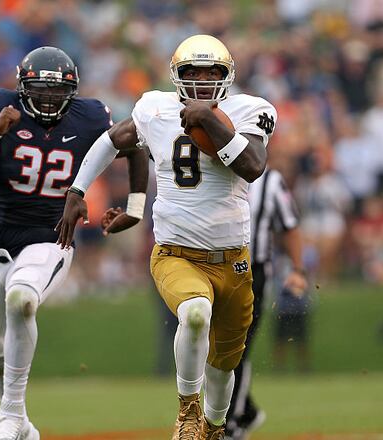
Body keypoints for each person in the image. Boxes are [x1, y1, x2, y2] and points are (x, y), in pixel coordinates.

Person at [57, 34, 277, 440]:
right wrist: (77, 190)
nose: (202, 79)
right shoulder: (155, 108)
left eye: (212, 71)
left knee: (225, 366)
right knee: (194, 313)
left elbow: (252, 165)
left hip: (233, 260)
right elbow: (114, 141)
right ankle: (187, 411)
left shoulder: (250, 110)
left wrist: (208, 119)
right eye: (193, 71)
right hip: (176, 253)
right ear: (178, 75)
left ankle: (211, 427)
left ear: (227, 76)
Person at [0, 46, 149, 440]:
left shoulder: (89, 116)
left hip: (51, 235)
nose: (49, 99)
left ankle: (10, 414)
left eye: (57, 92)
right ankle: (22, 426)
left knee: (22, 299)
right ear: (21, 87)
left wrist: (136, 207)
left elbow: (136, 144)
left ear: (72, 91)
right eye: (41, 90)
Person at [226, 167, 306, 439]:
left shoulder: (270, 181)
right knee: (213, 347)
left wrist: (297, 269)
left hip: (253, 271)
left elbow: (290, 224)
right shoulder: (213, 166)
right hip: (217, 268)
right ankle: (245, 410)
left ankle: (231, 422)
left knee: (238, 348)